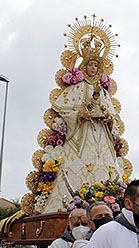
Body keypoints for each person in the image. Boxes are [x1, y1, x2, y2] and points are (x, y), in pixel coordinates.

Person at [43, 45, 125, 213]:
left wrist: (109, 119)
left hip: (101, 136)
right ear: (84, 66)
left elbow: (113, 115)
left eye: (96, 65)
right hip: (80, 134)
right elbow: (63, 110)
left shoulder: (103, 91)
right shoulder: (78, 87)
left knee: (106, 168)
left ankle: (112, 201)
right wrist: (79, 115)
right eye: (90, 65)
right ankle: (73, 202)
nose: (93, 68)